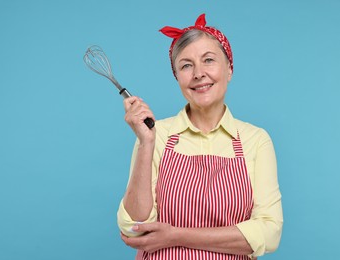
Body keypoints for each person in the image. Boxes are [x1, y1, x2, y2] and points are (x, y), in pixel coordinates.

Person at [117, 14, 283, 259]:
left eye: (208, 60)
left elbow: (269, 233)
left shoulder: (255, 140)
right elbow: (135, 228)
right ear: (178, 78)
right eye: (186, 65)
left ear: (230, 69)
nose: (198, 73)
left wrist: (175, 235)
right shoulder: (156, 135)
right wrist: (146, 143)